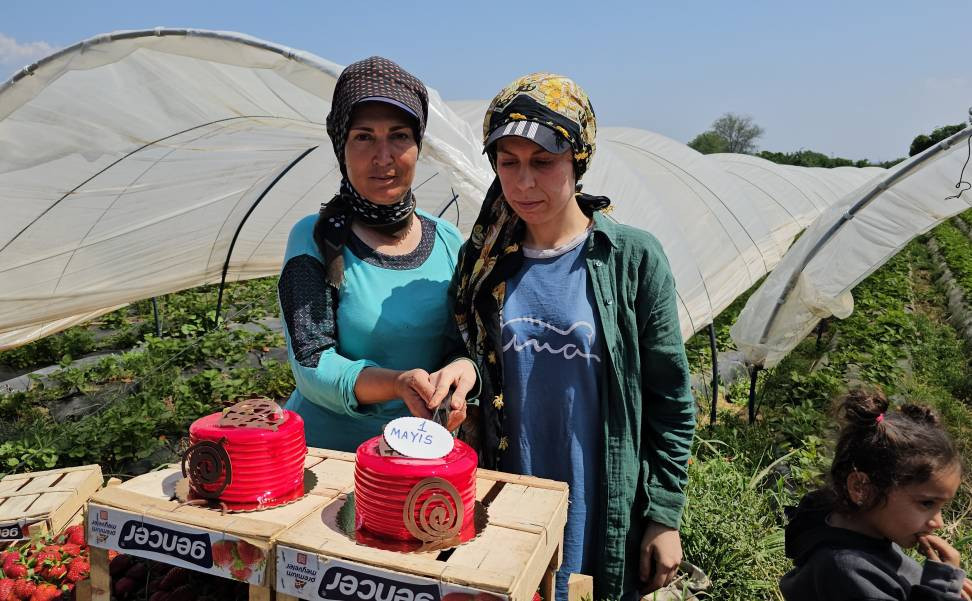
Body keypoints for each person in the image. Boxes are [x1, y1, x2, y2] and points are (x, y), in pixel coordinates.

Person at [451, 73, 696, 601]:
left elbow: (670, 401)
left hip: (598, 504)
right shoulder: (485, 261)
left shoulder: (629, 258)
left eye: (543, 162)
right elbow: (471, 359)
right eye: (508, 163)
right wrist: (461, 375)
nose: (524, 183)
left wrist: (663, 515)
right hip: (506, 501)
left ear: (577, 161)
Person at [278, 56, 475, 452]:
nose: (383, 157)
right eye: (364, 137)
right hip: (327, 458)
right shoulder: (314, 239)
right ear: (341, 146)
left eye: (399, 136)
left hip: (421, 455)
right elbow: (311, 364)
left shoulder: (448, 240)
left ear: (418, 146)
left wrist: (463, 371)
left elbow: (466, 344)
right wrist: (397, 383)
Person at [781, 390, 972, 601]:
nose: (939, 523)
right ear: (861, 487)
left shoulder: (863, 531)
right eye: (927, 503)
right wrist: (942, 590)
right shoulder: (846, 572)